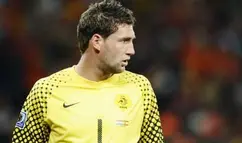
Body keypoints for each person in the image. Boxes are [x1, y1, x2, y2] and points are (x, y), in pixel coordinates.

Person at [11, 0, 164, 142]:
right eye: (124, 41)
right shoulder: (46, 90)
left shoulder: (140, 87)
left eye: (131, 41)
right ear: (97, 42)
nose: (131, 51)